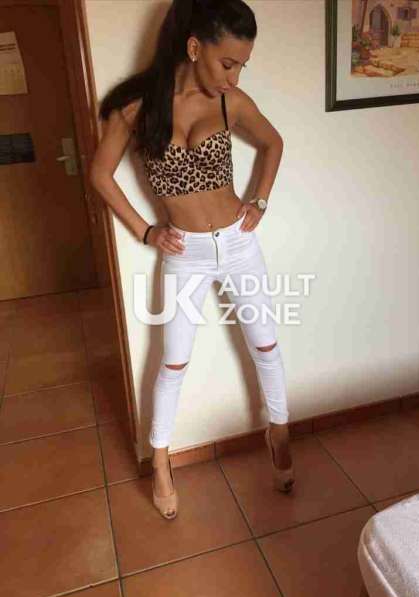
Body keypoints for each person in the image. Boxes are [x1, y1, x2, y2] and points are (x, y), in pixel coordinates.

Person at [90, 0, 295, 520]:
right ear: (194, 47)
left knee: (266, 345)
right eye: (228, 63)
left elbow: (273, 143)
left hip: (239, 244)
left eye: (242, 65)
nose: (235, 76)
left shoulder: (230, 102)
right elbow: (99, 175)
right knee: (174, 361)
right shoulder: (136, 108)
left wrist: (259, 201)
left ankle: (279, 433)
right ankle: (161, 461)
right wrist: (146, 231)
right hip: (186, 253)